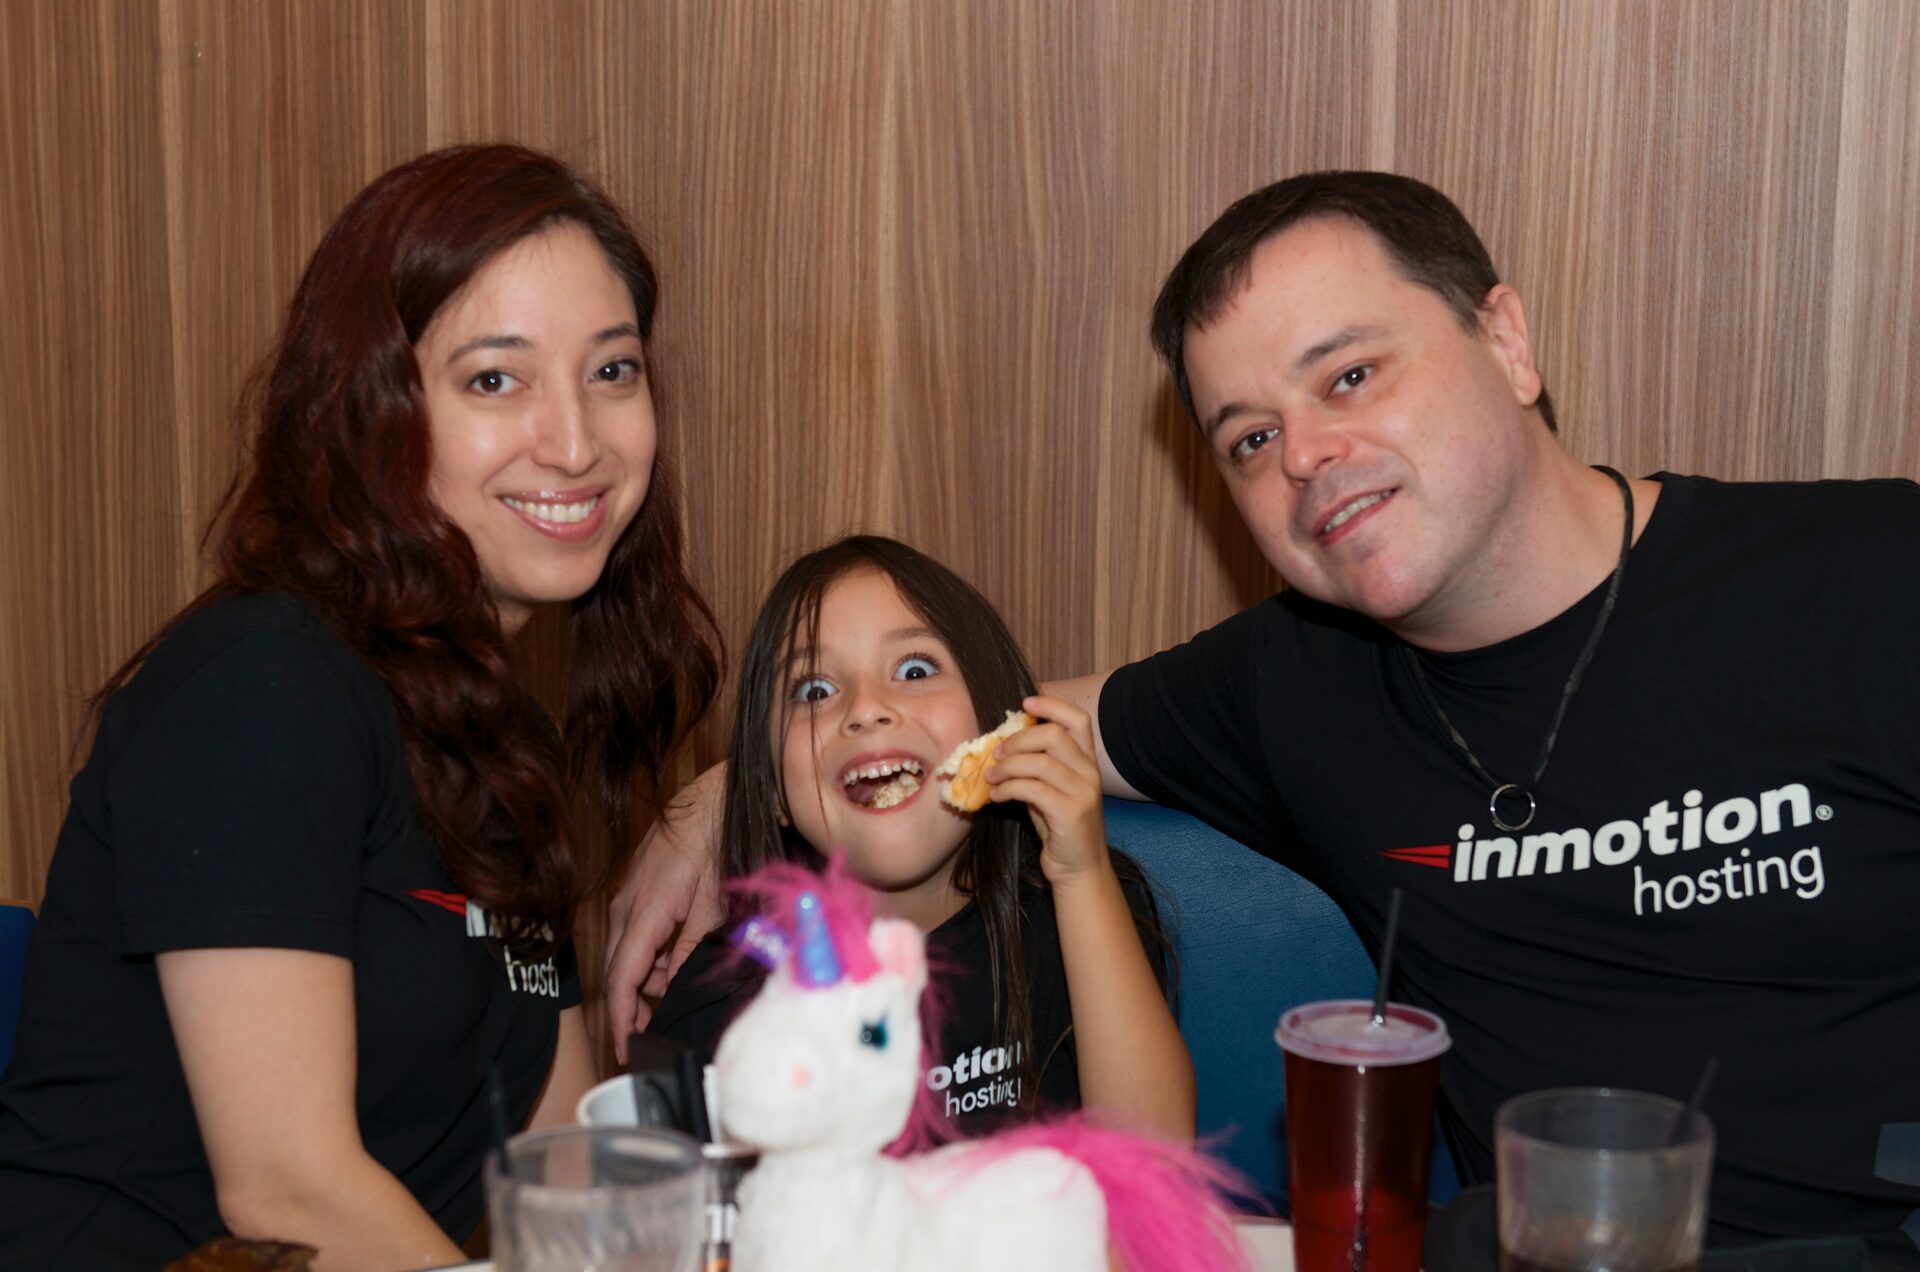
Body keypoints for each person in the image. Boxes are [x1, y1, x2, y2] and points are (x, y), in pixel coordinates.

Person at [607, 172, 1920, 1263]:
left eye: (1348, 376)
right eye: (1248, 437)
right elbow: (983, 730)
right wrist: (719, 800)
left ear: (1509, 343)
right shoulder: (1294, 681)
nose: (1303, 456)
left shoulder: (1870, 578)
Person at [0, 144, 719, 1270]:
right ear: (371, 411)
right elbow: (287, 1188)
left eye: (612, 371)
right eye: (496, 380)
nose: (577, 442)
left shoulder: (503, 737)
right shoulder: (263, 688)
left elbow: (558, 1163)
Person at [647, 535, 1192, 1141]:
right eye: (815, 691)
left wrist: (1080, 875)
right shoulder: (716, 999)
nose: (867, 709)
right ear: (770, 787)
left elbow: (1155, 1158)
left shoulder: (1079, 914)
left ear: (997, 731)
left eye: (914, 670)